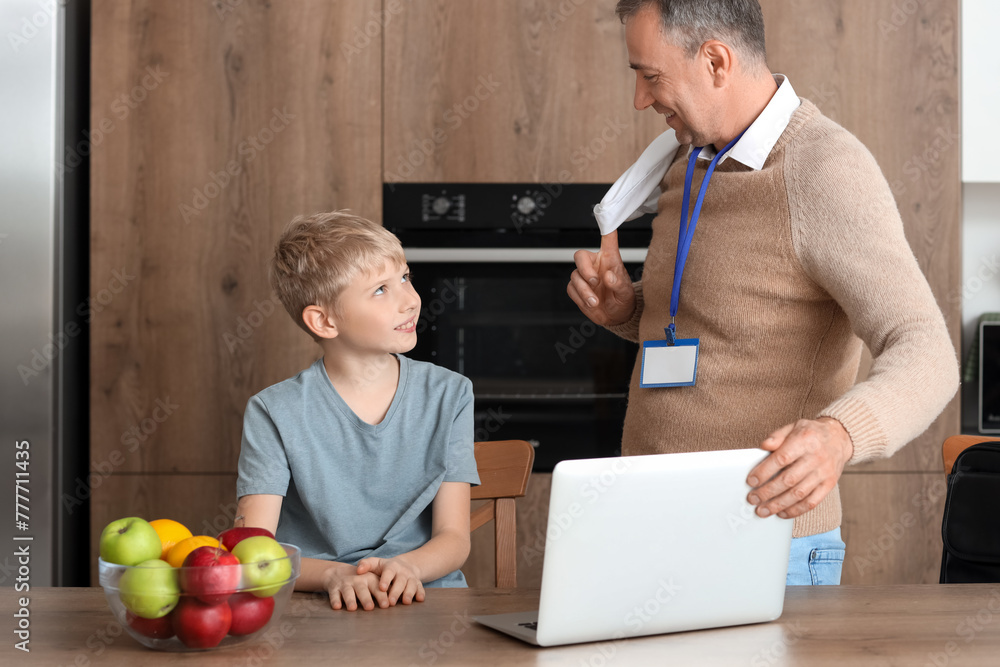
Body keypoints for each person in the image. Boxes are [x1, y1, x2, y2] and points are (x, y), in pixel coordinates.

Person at [567, 0, 959, 585]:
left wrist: (840, 435)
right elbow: (715, 321)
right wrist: (630, 311)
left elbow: (927, 352)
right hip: (649, 528)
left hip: (764, 544)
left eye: (650, 77)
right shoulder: (687, 159)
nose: (640, 100)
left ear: (717, 61)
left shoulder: (824, 171)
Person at [235, 211, 480, 610]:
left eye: (404, 277)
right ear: (324, 320)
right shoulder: (272, 411)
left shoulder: (450, 394)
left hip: (425, 598)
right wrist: (334, 574)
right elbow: (255, 551)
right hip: (319, 604)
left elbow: (454, 538)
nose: (410, 299)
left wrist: (409, 568)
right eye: (381, 290)